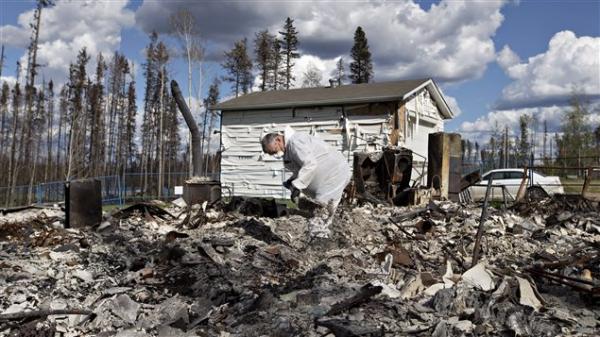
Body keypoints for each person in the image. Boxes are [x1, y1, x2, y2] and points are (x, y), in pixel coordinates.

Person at [261, 126, 351, 240]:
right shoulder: (289, 148)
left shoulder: (295, 142)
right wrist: (292, 181)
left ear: (278, 139)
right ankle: (324, 241)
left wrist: (297, 186)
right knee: (322, 214)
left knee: (321, 214)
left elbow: (310, 164)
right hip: (329, 178)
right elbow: (301, 169)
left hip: (333, 174)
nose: (276, 154)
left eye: (275, 150)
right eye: (273, 153)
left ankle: (320, 245)